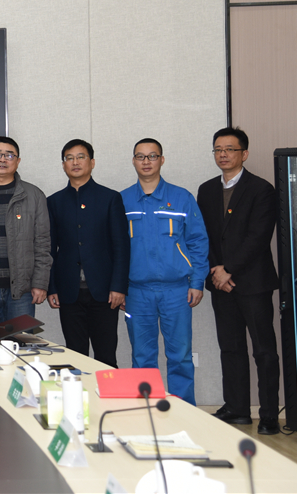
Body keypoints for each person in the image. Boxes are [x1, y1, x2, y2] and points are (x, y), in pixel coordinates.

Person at [197, 127, 280, 434]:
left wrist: (228, 269)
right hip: (221, 284)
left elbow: (258, 237)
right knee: (230, 348)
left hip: (253, 283)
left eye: (230, 149)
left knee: (264, 350)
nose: (223, 155)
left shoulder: (261, 189)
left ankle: (269, 414)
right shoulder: (206, 189)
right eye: (218, 149)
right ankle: (237, 408)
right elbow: (202, 236)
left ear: (244, 154)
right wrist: (215, 271)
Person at [120, 139, 208, 405]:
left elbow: (198, 241)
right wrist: (118, 287)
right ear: (133, 161)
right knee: (142, 358)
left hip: (177, 291)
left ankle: (183, 411)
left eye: (152, 156)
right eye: (140, 156)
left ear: (162, 160)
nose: (146, 162)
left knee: (180, 356)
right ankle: (147, 411)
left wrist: (197, 282)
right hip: (137, 292)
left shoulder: (182, 198)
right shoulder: (122, 200)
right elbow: (113, 249)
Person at [47, 139, 129, 367]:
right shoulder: (54, 202)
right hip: (68, 292)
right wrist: (51, 287)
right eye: (69, 158)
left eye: (81, 157)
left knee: (106, 356)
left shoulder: (110, 198)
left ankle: (108, 393)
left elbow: (121, 246)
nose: (75, 162)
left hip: (105, 293)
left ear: (92, 162)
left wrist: (119, 287)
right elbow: (49, 249)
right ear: (63, 165)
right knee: (75, 357)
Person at [0, 136, 52, 324]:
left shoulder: (34, 195)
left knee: (21, 340)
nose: (2, 159)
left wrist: (40, 283)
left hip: (21, 291)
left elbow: (42, 244)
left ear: (18, 161)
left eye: (9, 155)